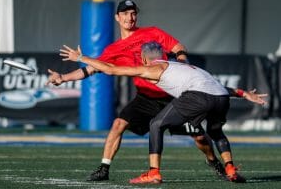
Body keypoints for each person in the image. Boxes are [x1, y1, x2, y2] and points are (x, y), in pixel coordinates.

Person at [47, 0, 245, 182]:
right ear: (117, 17)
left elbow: (178, 46)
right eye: (125, 13)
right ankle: (104, 168)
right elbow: (90, 70)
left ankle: (215, 163)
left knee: (200, 137)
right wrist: (62, 78)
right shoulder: (114, 49)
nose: (129, 17)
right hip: (145, 99)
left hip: (173, 96)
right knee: (118, 124)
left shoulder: (153, 32)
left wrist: (183, 60)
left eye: (133, 13)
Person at [58, 41, 267, 184]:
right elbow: (218, 88)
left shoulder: (154, 68)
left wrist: (82, 57)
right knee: (215, 131)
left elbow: (111, 69)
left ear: (144, 59)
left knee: (156, 124)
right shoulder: (185, 67)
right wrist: (243, 93)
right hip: (221, 98)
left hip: (197, 97)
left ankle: (154, 173)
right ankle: (230, 168)